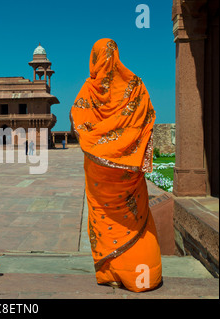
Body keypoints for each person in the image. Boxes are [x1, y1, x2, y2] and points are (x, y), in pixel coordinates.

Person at [70, 38, 161, 292]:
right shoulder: (135, 85)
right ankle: (141, 278)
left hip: (98, 172)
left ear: (95, 58)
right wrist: (126, 153)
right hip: (127, 172)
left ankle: (110, 273)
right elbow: (146, 120)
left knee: (103, 220)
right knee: (133, 221)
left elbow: (79, 122)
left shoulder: (88, 90)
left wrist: (100, 147)